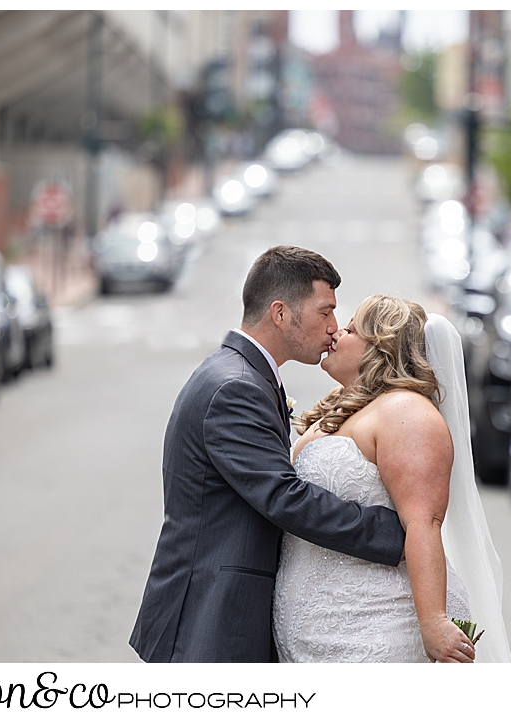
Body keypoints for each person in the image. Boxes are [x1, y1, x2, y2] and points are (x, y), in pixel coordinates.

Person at [129, 246, 408, 663]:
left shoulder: (243, 376)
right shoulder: (235, 387)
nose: (334, 328)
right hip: (210, 615)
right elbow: (283, 497)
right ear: (280, 313)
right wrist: (390, 532)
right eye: (325, 311)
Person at [274, 296, 511, 662]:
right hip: (319, 635)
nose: (336, 332)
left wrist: (433, 621)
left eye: (352, 329)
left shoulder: (405, 412)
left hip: (377, 630)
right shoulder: (343, 406)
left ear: (380, 348)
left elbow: (424, 521)